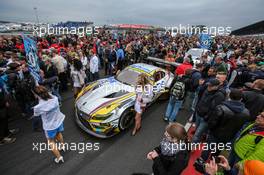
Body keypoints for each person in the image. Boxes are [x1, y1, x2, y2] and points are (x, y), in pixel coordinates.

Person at [199, 89, 251, 162]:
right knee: (217, 150)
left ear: (229, 96)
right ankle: (212, 162)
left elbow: (212, 122)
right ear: (241, 99)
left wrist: (210, 130)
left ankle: (201, 162)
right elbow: (241, 126)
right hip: (228, 136)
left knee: (208, 148)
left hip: (215, 133)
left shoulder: (221, 108)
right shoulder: (246, 113)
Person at [33, 86, 65, 163]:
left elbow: (36, 115)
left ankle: (59, 157)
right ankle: (62, 146)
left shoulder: (38, 107)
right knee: (58, 133)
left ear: (37, 95)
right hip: (59, 121)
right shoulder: (55, 98)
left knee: (50, 141)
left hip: (49, 126)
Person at [192, 79, 226, 143]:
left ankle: (191, 147)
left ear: (216, 86)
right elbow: (200, 98)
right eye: (208, 85)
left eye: (211, 86)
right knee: (197, 130)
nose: (208, 87)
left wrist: (207, 117)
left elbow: (215, 109)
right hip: (199, 113)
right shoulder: (206, 89)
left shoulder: (219, 95)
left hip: (205, 118)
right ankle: (197, 140)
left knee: (197, 134)